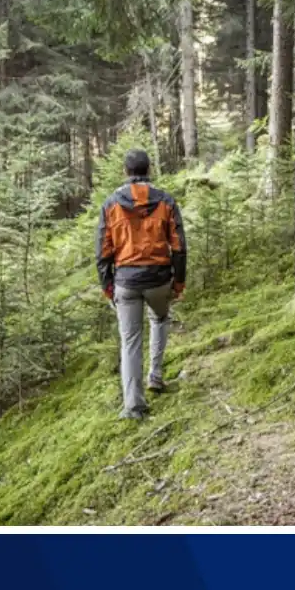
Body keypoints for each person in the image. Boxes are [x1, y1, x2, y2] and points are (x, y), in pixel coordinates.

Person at [95, 149, 187, 420]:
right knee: (159, 319)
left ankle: (133, 406)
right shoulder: (166, 201)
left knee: (130, 341)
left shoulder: (111, 204)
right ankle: (155, 376)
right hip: (159, 279)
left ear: (125, 171)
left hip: (126, 282)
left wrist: (107, 287)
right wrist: (179, 282)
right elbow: (179, 248)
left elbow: (103, 252)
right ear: (149, 170)